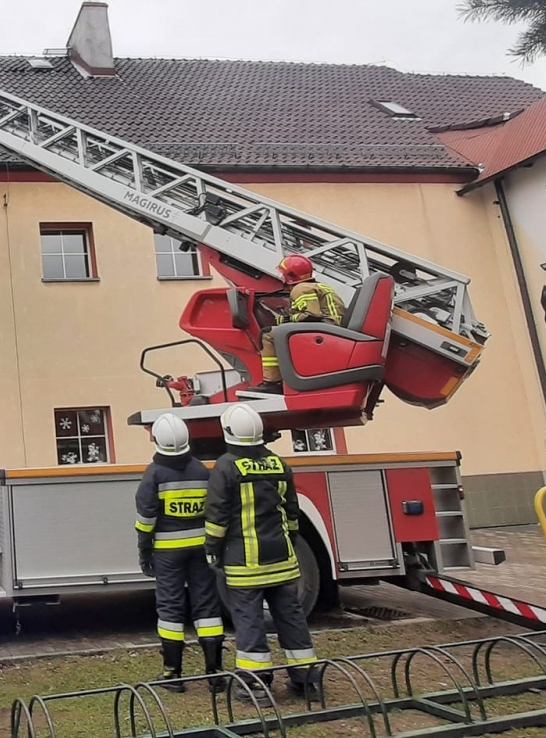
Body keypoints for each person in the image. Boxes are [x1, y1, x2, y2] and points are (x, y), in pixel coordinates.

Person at [204, 405, 322, 703]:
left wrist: (212, 551)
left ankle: (256, 686)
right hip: (283, 562)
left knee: (250, 622)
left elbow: (217, 517)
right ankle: (306, 681)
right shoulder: (279, 464)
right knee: (292, 619)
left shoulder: (226, 467)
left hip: (245, 565)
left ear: (228, 432)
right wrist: (289, 544)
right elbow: (292, 514)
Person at [134, 413, 226, 693]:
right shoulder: (201, 470)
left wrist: (144, 550)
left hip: (167, 553)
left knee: (171, 607)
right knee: (207, 606)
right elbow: (213, 509)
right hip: (200, 549)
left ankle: (173, 675)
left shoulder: (154, 474)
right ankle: (215, 673)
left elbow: (146, 518)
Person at [246, 254, 345, 394]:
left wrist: (285, 320)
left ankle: (272, 382)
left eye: (284, 274)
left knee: (268, 334)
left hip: (325, 328)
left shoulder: (301, 289)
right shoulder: (320, 286)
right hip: (332, 327)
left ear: (291, 275)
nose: (282, 278)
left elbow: (312, 315)